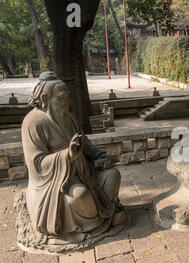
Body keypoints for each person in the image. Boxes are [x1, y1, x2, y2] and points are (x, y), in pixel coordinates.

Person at [22, 72, 125, 244]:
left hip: (84, 173)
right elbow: (37, 165)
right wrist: (67, 156)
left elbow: (83, 141)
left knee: (113, 175)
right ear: (46, 98)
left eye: (67, 97)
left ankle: (106, 213)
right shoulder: (33, 123)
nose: (67, 102)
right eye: (62, 98)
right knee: (80, 196)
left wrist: (99, 156)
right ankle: (95, 224)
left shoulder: (68, 117)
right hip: (56, 183)